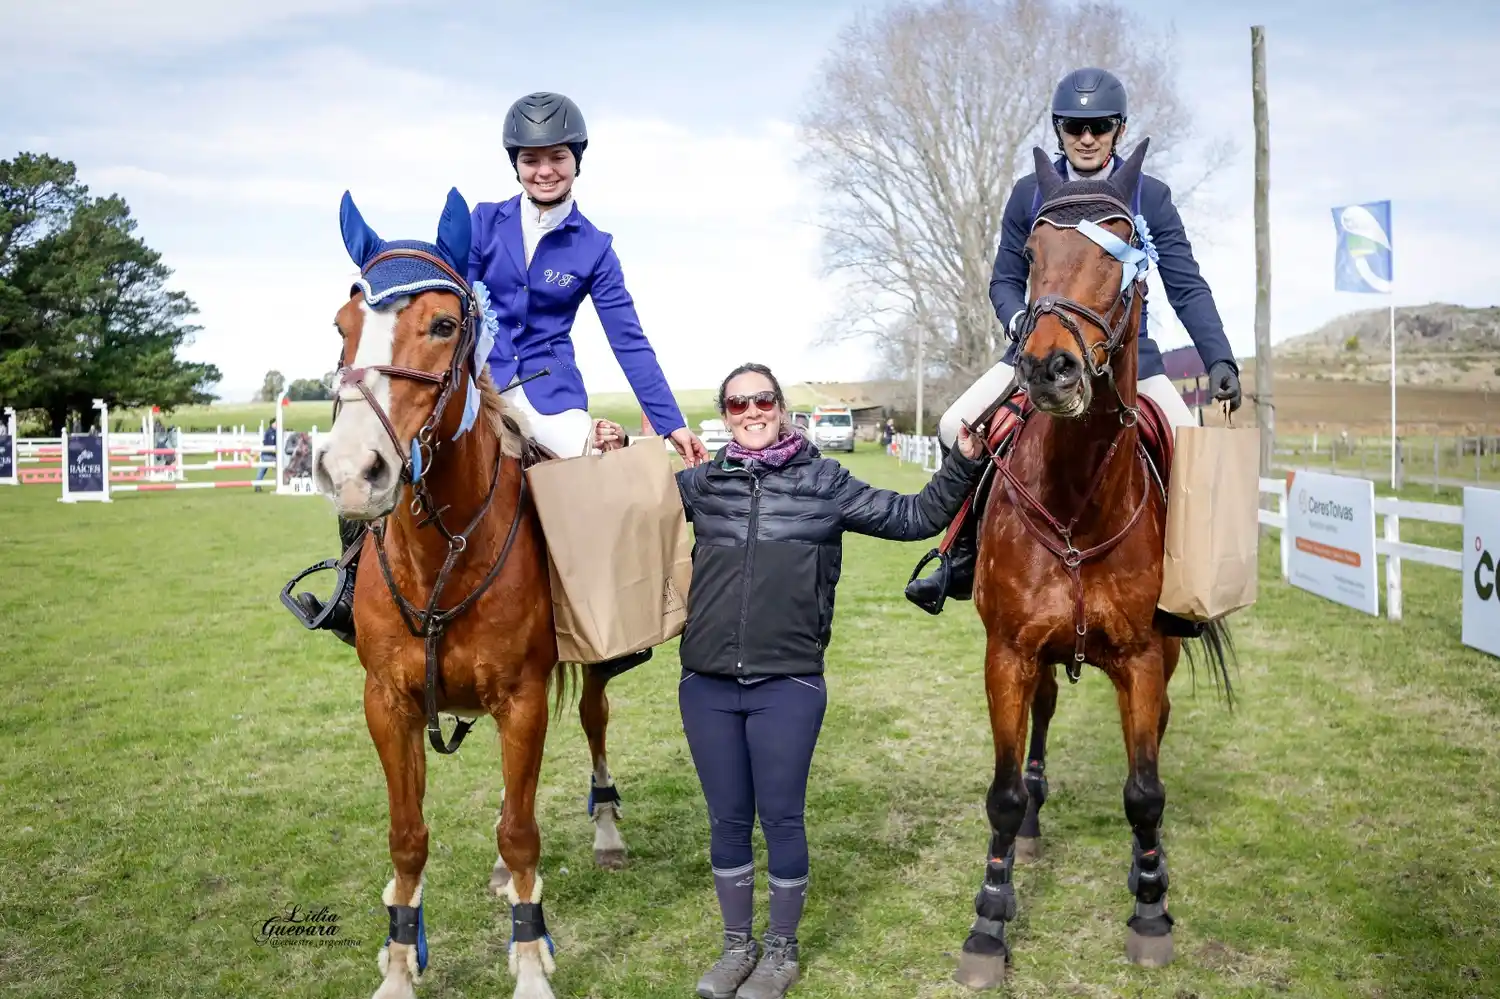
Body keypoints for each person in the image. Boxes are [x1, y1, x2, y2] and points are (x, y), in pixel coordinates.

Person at [592, 363, 985, 999]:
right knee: (725, 820)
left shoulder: (824, 481)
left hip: (789, 683)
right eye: (738, 403)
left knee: (780, 817)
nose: (752, 411)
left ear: (781, 406)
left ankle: (780, 951)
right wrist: (608, 458)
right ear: (724, 416)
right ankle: (736, 946)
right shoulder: (701, 485)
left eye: (763, 399)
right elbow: (618, 515)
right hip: (707, 684)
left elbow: (915, 516)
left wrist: (962, 461)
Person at [285, 91, 707, 660]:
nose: (545, 170)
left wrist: (671, 423)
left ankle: (598, 615)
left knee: (592, 486)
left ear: (577, 160)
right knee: (386, 451)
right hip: (477, 383)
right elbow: (451, 302)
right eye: (532, 160)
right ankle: (347, 588)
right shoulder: (483, 223)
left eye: (557, 157)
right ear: (517, 165)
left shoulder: (596, 248)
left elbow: (627, 337)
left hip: (551, 395)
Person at [903, 66, 1243, 629]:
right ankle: (959, 556)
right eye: (1074, 126)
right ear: (1059, 129)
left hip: (1130, 365)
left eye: (1100, 126)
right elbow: (1004, 281)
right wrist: (1018, 323)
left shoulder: (1149, 196)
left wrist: (1219, 357)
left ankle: (1189, 589)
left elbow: (1185, 283)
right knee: (952, 424)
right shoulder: (1028, 193)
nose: (1087, 138)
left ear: (1120, 129)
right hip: (1036, 352)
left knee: (1195, 456)